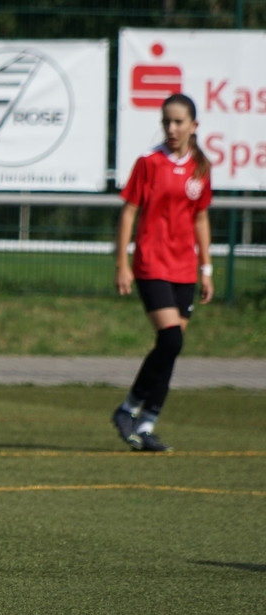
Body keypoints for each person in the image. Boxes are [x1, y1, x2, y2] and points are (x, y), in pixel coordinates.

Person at [111, 93, 213, 452]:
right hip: (152, 262)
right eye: (166, 121)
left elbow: (200, 218)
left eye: (178, 122)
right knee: (171, 340)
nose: (171, 128)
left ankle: (147, 423)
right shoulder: (149, 162)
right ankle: (128, 409)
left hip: (185, 268)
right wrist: (122, 262)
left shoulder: (200, 167)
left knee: (170, 349)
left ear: (193, 126)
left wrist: (207, 269)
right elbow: (129, 212)